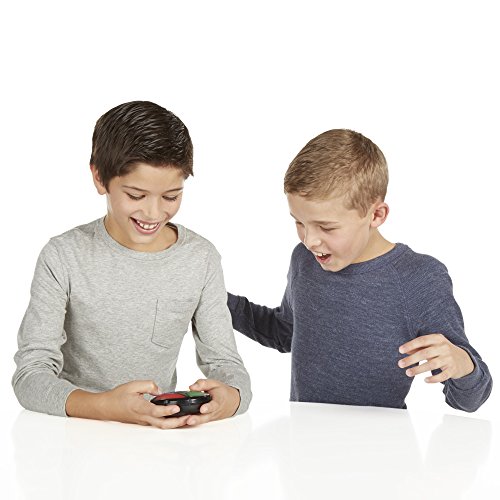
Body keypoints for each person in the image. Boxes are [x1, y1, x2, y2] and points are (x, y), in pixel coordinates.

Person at [13, 101, 251, 428]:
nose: (153, 213)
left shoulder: (201, 258)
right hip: (73, 434)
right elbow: (30, 377)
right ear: (100, 178)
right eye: (136, 196)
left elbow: (227, 365)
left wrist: (231, 398)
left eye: (171, 196)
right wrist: (105, 406)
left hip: (158, 438)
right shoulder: (63, 256)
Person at [228, 129, 492, 412]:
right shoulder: (304, 260)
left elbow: (470, 399)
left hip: (382, 440)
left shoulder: (418, 279)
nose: (310, 240)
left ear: (376, 215)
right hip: (304, 436)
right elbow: (286, 333)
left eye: (326, 227)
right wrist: (215, 300)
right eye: (299, 222)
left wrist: (462, 364)